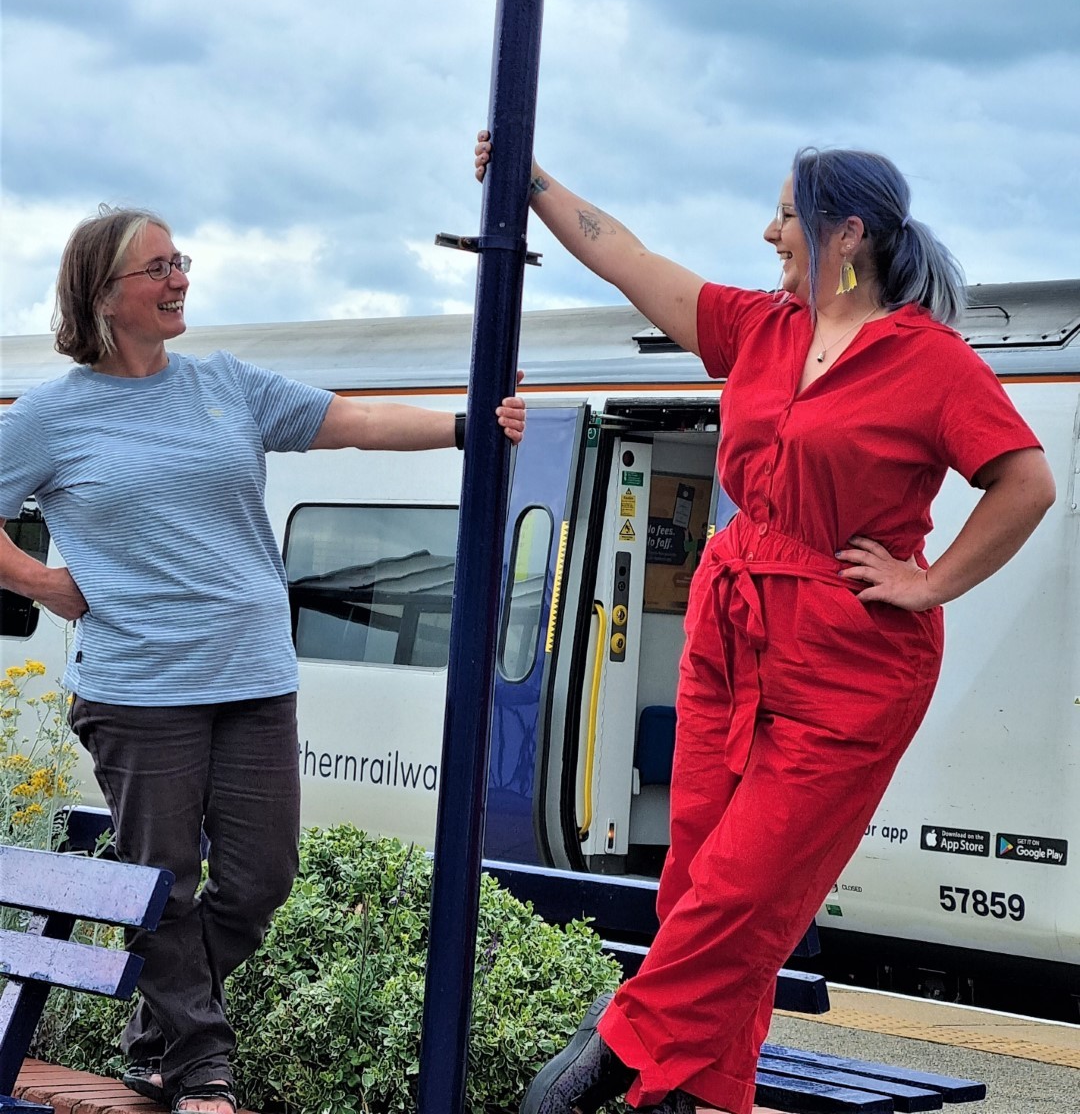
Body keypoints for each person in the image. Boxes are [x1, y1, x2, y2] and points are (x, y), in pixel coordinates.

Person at [475, 135, 1055, 1114]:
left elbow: (1027, 480)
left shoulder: (931, 361)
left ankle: (623, 1048)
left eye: (787, 213)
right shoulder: (761, 327)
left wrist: (931, 583)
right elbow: (625, 252)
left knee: (747, 889)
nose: (769, 229)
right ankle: (697, 1094)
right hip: (730, 621)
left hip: (852, 657)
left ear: (847, 233)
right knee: (699, 882)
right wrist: (527, 180)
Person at [0, 205, 525, 1114]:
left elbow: (349, 418)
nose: (180, 280)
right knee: (160, 878)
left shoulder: (225, 386)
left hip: (254, 675)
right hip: (141, 686)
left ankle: (159, 1037)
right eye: (158, 268)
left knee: (260, 878)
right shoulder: (51, 416)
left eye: (180, 261)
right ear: (102, 295)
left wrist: (466, 426)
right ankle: (200, 1066)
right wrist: (44, 582)